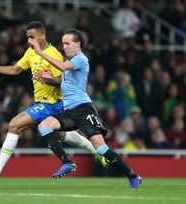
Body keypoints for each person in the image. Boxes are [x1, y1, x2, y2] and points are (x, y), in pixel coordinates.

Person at [0, 21, 107, 179]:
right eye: (27, 37)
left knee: (14, 124)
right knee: (62, 136)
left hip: (52, 104)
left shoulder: (54, 54)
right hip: (41, 103)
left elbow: (62, 81)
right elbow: (15, 70)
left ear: (42, 36)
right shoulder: (30, 53)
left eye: (32, 37)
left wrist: (47, 79)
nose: (29, 41)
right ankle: (95, 151)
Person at [29, 28, 142, 188]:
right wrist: (48, 79)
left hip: (83, 109)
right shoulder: (70, 63)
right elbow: (64, 82)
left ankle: (132, 175)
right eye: (63, 43)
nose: (64, 47)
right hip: (70, 112)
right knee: (44, 126)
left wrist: (40, 52)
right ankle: (66, 161)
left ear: (78, 44)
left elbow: (61, 67)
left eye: (67, 43)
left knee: (100, 147)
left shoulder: (81, 59)